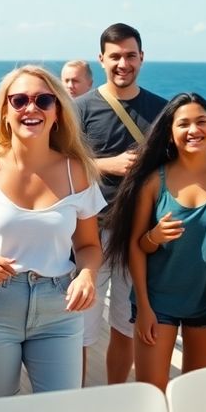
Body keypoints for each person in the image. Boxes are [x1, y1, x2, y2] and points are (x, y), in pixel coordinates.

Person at [0, 65, 104, 398]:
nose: (32, 108)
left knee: (61, 410)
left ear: (57, 112)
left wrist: (87, 275)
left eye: (44, 100)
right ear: (5, 113)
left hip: (60, 306)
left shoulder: (77, 171)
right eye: (19, 100)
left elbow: (88, 245)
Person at [105, 93, 206, 390]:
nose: (193, 130)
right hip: (157, 303)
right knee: (152, 394)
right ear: (170, 133)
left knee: (195, 394)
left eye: (201, 121)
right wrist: (145, 307)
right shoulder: (153, 182)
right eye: (183, 124)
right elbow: (137, 247)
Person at [75, 23, 167, 385]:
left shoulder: (161, 109)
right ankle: (79, 399)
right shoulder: (80, 109)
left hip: (138, 234)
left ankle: (115, 395)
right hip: (90, 233)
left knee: (125, 326)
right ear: (101, 59)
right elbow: (60, 161)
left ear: (142, 58)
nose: (123, 63)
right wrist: (105, 165)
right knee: (81, 327)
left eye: (130, 55)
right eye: (115, 56)